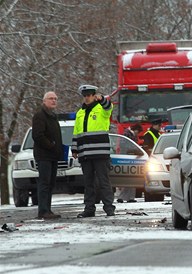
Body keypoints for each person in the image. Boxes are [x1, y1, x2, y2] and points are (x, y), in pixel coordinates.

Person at [72, 85, 115, 218]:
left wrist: (102, 98)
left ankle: (109, 208)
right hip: (85, 154)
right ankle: (89, 209)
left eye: (89, 95)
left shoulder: (101, 108)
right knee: (88, 183)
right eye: (84, 95)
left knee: (104, 181)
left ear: (94, 95)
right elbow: (76, 132)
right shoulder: (80, 112)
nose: (86, 98)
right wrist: (74, 148)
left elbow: (109, 106)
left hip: (100, 153)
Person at [31, 91, 63, 219]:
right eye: (51, 98)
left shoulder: (53, 116)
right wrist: (51, 146)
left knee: (50, 183)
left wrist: (59, 149)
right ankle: (43, 211)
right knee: (44, 183)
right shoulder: (39, 116)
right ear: (44, 101)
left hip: (53, 156)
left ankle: (48, 210)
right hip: (44, 155)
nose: (54, 100)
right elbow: (38, 136)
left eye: (55, 98)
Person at [117, 124, 142, 203]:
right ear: (136, 130)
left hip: (128, 159)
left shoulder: (127, 134)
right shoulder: (127, 135)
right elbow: (126, 147)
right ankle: (125, 197)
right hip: (128, 159)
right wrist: (136, 151)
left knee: (130, 179)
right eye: (138, 132)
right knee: (129, 178)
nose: (138, 134)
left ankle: (129, 197)